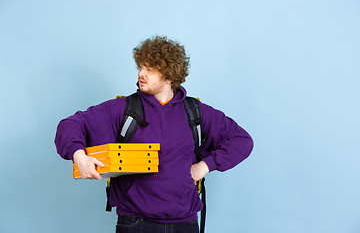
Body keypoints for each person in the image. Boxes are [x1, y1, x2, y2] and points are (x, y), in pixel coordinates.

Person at [55, 36, 254, 233]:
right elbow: (70, 125)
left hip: (186, 224)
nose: (141, 73)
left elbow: (241, 141)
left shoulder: (195, 111)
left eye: (150, 69)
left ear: (169, 77)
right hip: (135, 223)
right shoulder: (123, 108)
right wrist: (78, 156)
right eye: (141, 66)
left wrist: (205, 166)